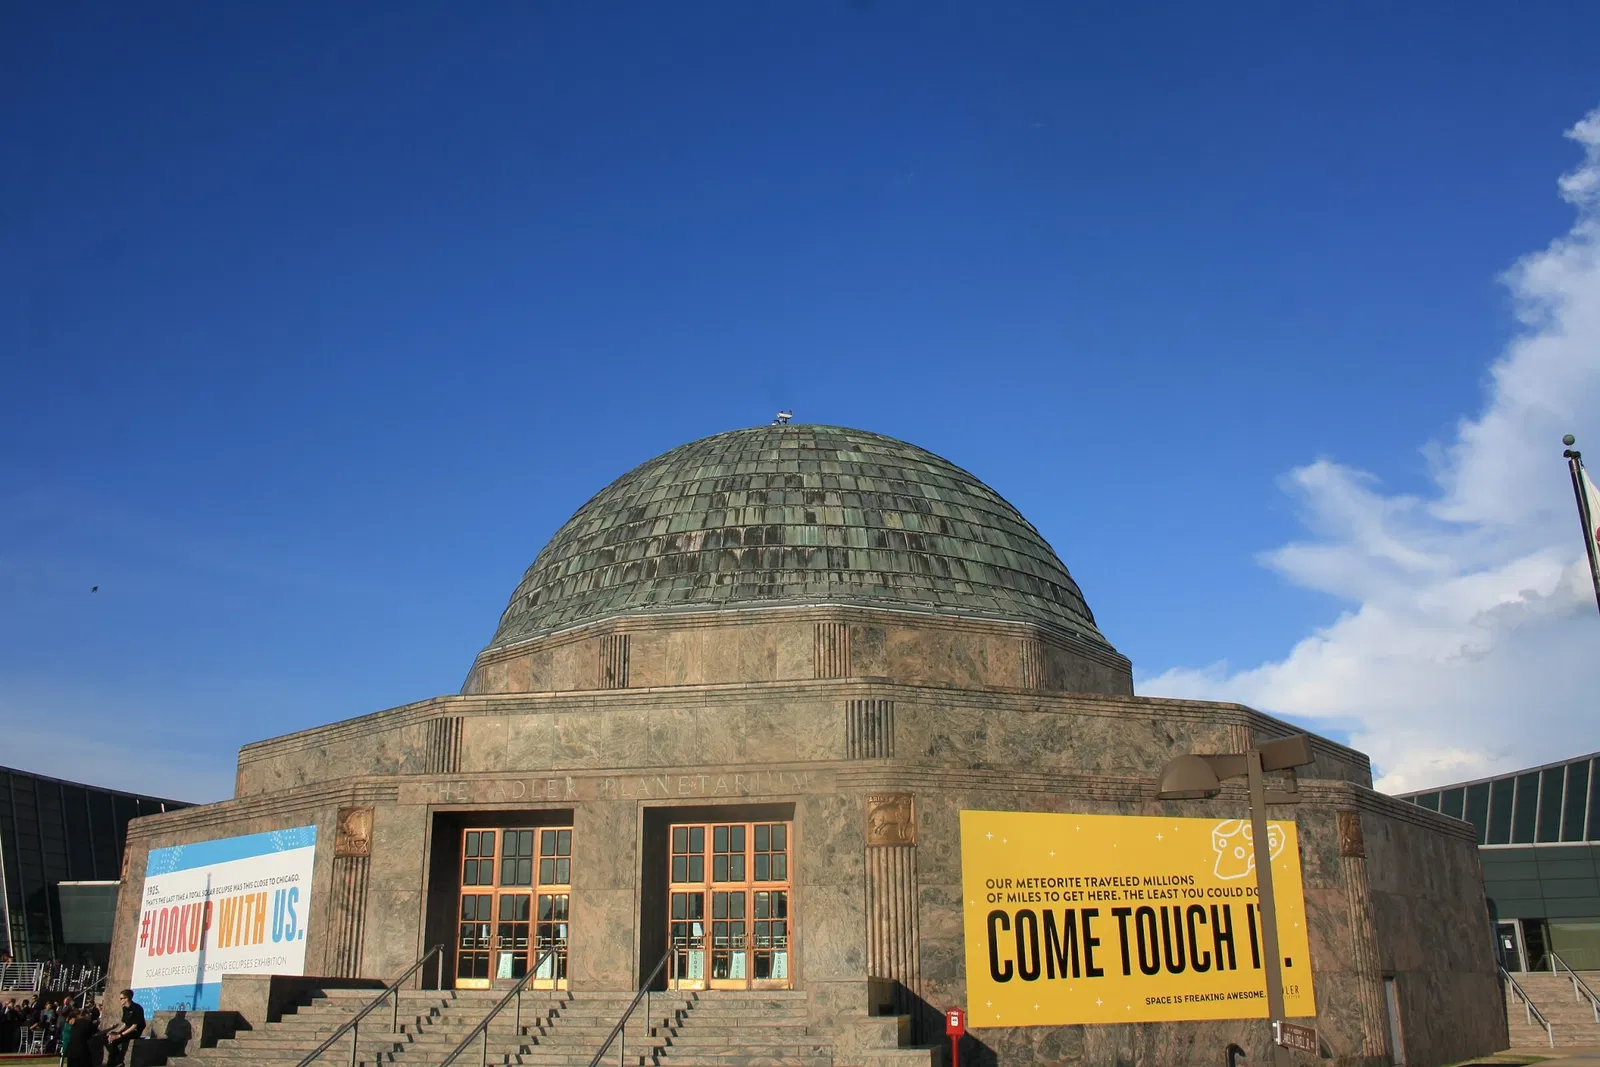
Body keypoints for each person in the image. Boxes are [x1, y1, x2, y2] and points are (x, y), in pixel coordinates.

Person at [103, 990, 144, 1067]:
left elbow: (134, 1026)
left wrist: (119, 1035)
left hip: (135, 1031)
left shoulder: (137, 1008)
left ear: (127, 998)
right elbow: (125, 1024)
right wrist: (115, 1032)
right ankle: (118, 1060)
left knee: (113, 1041)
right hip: (127, 1029)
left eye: (121, 998)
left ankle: (115, 1062)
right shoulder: (125, 1008)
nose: (120, 1000)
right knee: (107, 1038)